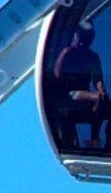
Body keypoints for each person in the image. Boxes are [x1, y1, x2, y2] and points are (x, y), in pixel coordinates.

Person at [46, 14, 107, 147]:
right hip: (68, 95)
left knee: (104, 100)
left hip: (84, 94)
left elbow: (98, 78)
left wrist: (101, 89)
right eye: (80, 38)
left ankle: (100, 137)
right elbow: (57, 76)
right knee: (96, 98)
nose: (82, 43)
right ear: (76, 37)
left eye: (86, 39)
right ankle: (94, 137)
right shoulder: (67, 53)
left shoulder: (93, 57)